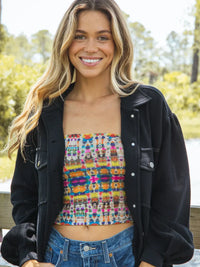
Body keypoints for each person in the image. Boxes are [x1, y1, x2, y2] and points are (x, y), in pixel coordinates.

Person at [1, 0, 194, 266]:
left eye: (103, 37)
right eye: (80, 36)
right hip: (57, 255)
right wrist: (29, 257)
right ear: (66, 42)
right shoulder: (45, 112)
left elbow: (173, 192)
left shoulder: (148, 106)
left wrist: (152, 260)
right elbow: (25, 196)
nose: (90, 47)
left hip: (129, 256)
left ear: (118, 43)